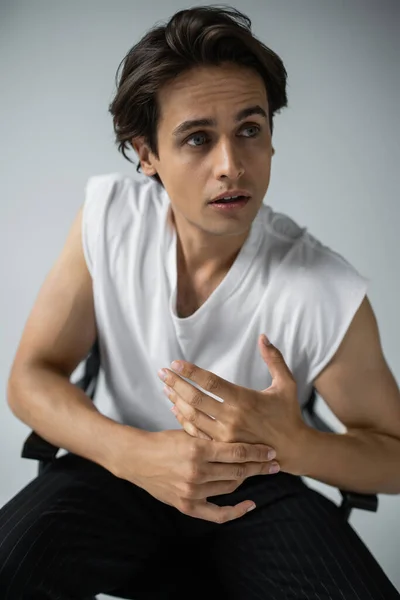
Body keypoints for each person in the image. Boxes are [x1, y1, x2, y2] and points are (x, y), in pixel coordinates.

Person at [1, 5, 400, 599]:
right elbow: (29, 378)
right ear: (146, 153)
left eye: (250, 129)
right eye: (197, 137)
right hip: (117, 467)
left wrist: (296, 444)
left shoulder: (320, 285)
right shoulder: (110, 219)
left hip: (258, 488)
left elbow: (393, 455)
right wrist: (134, 456)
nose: (231, 165)